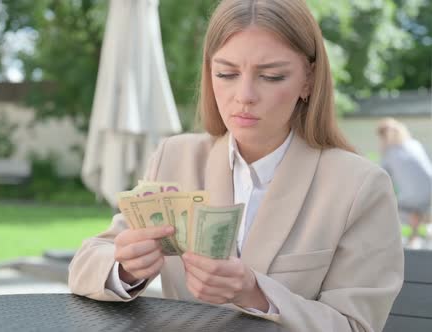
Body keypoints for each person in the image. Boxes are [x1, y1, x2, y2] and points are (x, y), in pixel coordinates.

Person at [68, 1, 404, 331]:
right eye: (226, 73)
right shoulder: (176, 156)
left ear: (308, 80)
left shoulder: (359, 186)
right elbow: (87, 263)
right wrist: (124, 268)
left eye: (271, 76)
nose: (244, 95)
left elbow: (355, 325)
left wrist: (255, 294)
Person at [377, 117, 432, 248]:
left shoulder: (390, 152)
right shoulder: (414, 144)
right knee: (413, 206)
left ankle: (387, 242)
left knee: (386, 206)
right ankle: (416, 237)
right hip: (429, 191)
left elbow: (382, 177)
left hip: (412, 198)